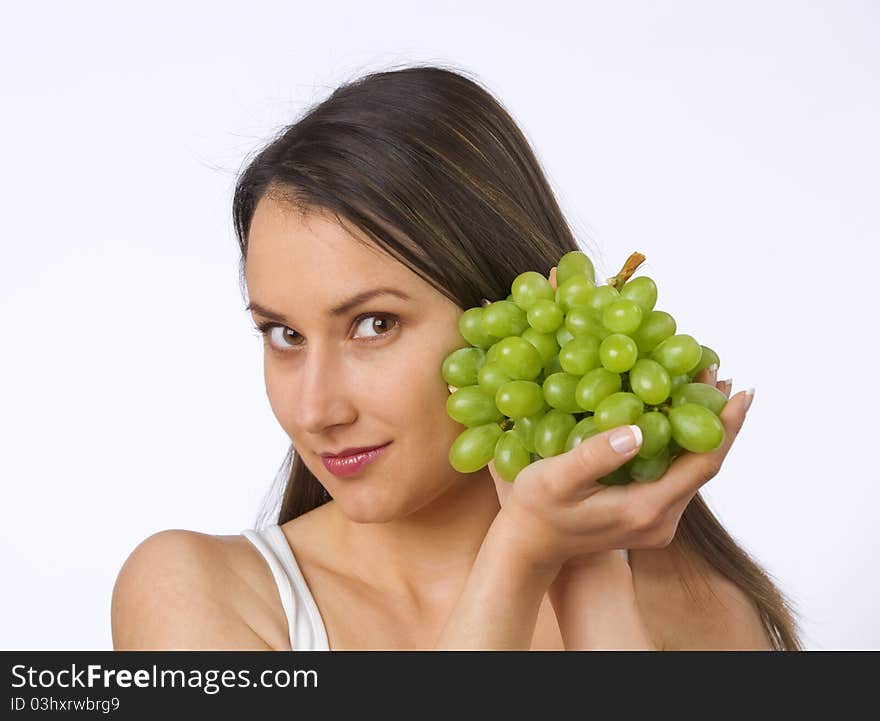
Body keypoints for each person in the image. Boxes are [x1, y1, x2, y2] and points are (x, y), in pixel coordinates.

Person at [111, 64, 802, 651]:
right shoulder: (194, 596)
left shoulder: (704, 616)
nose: (315, 409)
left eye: (373, 324)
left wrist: (584, 564)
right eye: (283, 334)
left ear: (507, 323)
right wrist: (517, 558)